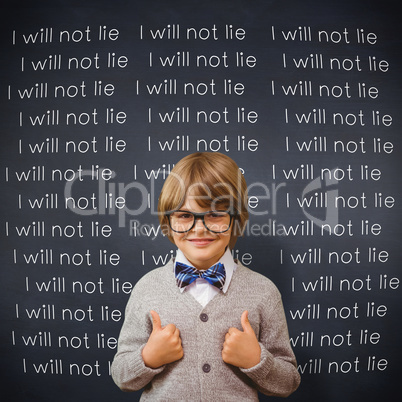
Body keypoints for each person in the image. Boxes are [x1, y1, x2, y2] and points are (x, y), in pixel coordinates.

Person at [111, 152, 300, 400]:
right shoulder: (147, 288)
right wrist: (147, 357)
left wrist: (257, 360)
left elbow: (289, 382)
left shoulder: (263, 291)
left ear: (236, 219)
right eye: (185, 215)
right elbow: (121, 375)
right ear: (168, 221)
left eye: (215, 214)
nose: (199, 228)